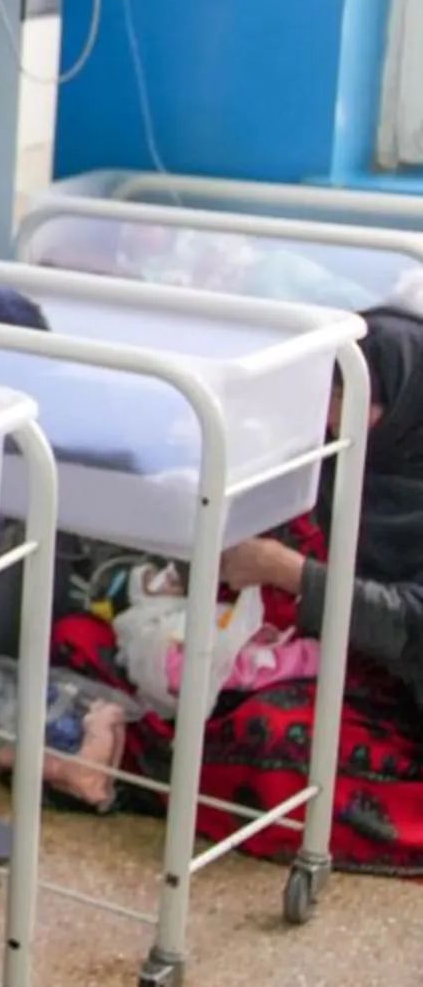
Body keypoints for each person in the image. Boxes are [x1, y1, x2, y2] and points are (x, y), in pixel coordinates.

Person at [53, 304, 423, 876]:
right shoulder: (331, 461)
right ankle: (122, 748)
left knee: (276, 739)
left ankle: (124, 758)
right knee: (78, 639)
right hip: (297, 649)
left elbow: (409, 625)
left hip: (397, 690)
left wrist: (288, 572)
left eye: (353, 404)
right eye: (327, 397)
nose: (331, 421)